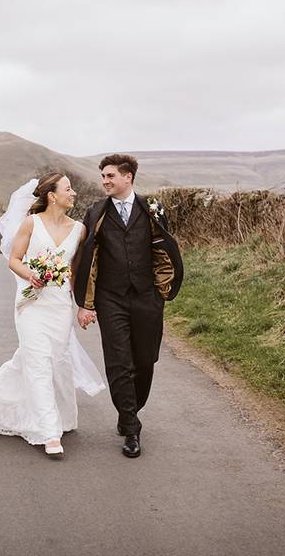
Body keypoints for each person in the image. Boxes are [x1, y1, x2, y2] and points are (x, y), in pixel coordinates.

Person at [0, 173, 106, 458]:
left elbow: (76, 273)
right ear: (52, 196)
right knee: (38, 362)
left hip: (59, 306)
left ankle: (5, 408)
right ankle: (49, 432)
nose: (74, 193)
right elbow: (14, 260)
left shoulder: (79, 230)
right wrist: (31, 275)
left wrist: (83, 305)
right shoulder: (31, 223)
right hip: (31, 304)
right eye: (68, 189)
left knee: (56, 361)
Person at [72, 154, 184, 458]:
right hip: (110, 298)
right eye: (103, 177)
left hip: (147, 297)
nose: (105, 181)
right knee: (119, 361)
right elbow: (87, 256)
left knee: (145, 361)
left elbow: (165, 249)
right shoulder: (96, 212)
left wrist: (160, 291)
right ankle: (131, 427)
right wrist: (86, 303)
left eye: (110, 176)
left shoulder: (152, 209)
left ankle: (129, 410)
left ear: (128, 177)